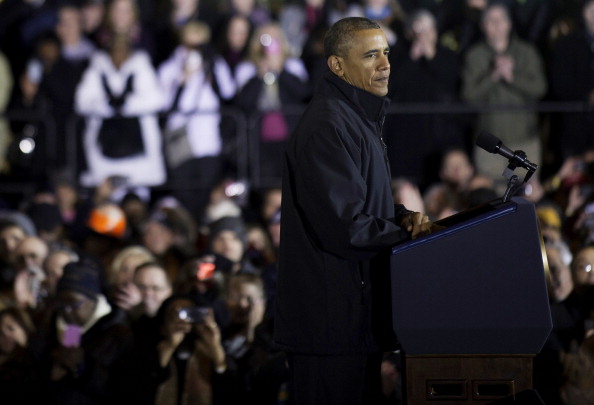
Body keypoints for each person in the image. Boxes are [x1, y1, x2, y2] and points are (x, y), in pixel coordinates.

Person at [274, 16, 438, 404]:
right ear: (337, 65)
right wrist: (409, 234)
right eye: (370, 55)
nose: (384, 64)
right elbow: (345, 225)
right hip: (330, 328)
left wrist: (400, 216)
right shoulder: (328, 125)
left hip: (353, 322)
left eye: (385, 53)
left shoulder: (356, 118)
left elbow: (363, 204)